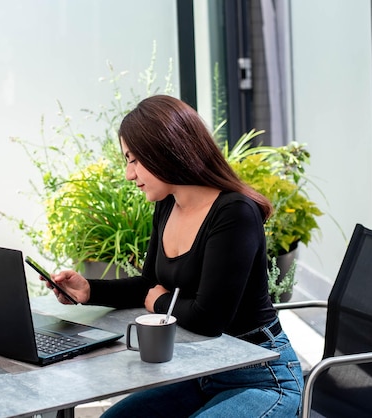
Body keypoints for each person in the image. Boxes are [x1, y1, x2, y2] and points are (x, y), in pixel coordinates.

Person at [46, 95, 303, 417]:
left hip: (261, 376)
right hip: (201, 375)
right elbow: (149, 285)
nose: (129, 174)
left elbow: (208, 319)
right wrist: (89, 291)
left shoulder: (234, 212)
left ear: (167, 151)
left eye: (135, 160)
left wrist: (157, 301)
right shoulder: (167, 205)